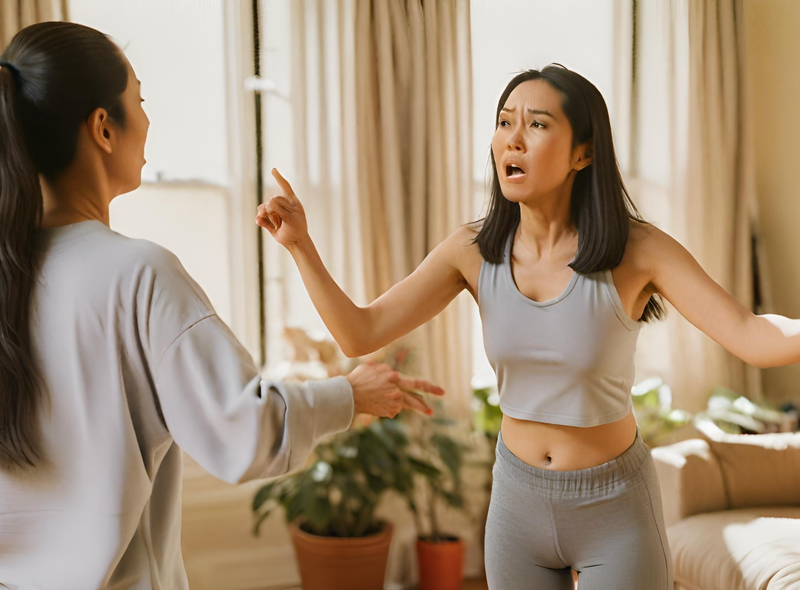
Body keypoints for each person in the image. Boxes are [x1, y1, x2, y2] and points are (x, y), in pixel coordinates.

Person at [257, 65, 800, 589]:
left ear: (583, 153)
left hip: (615, 508)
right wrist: (300, 245)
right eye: (504, 121)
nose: (513, 139)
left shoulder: (638, 250)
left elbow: (754, 337)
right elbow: (360, 332)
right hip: (518, 506)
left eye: (537, 124)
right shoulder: (471, 251)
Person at [0, 21, 444, 590]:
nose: (149, 117)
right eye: (140, 99)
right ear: (103, 128)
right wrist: (350, 394)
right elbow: (242, 434)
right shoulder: (137, 275)